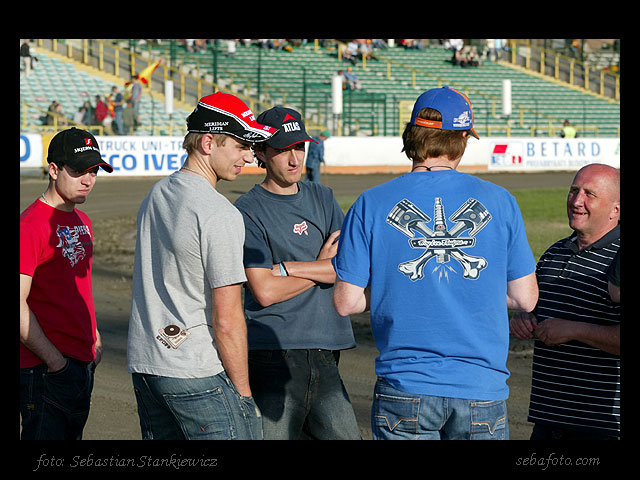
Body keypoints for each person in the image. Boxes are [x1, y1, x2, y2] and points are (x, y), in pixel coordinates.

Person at [332, 86, 539, 440]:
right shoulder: (501, 201)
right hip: (480, 388)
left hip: (404, 386)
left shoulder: (370, 203)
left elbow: (346, 302)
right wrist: (473, 289)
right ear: (461, 138)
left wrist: (398, 290)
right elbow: (525, 299)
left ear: (411, 135)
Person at [127, 92, 276, 440]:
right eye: (240, 145)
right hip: (194, 366)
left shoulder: (157, 194)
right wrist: (243, 393)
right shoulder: (219, 212)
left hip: (147, 362)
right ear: (208, 142)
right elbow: (227, 319)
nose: (248, 157)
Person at [234, 106, 361, 440]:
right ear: (259, 151)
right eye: (282, 150)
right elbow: (265, 292)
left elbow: (347, 269)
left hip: (326, 349)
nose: (294, 160)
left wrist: (288, 268)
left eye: (299, 148)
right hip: (273, 352)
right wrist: (321, 266)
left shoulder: (323, 197)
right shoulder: (247, 210)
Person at [509, 163, 620, 440]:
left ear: (616, 209)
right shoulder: (555, 252)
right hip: (548, 420)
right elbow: (536, 308)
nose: (576, 201)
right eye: (573, 191)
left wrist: (573, 330)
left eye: (589, 194)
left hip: (602, 426)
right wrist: (524, 318)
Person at [20, 127, 114, 440]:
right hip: (45, 369)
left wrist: (95, 338)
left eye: (94, 171)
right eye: (78, 171)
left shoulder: (81, 219)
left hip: (82, 361)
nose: (88, 179)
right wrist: (55, 361)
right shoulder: (30, 226)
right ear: (53, 169)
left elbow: (79, 288)